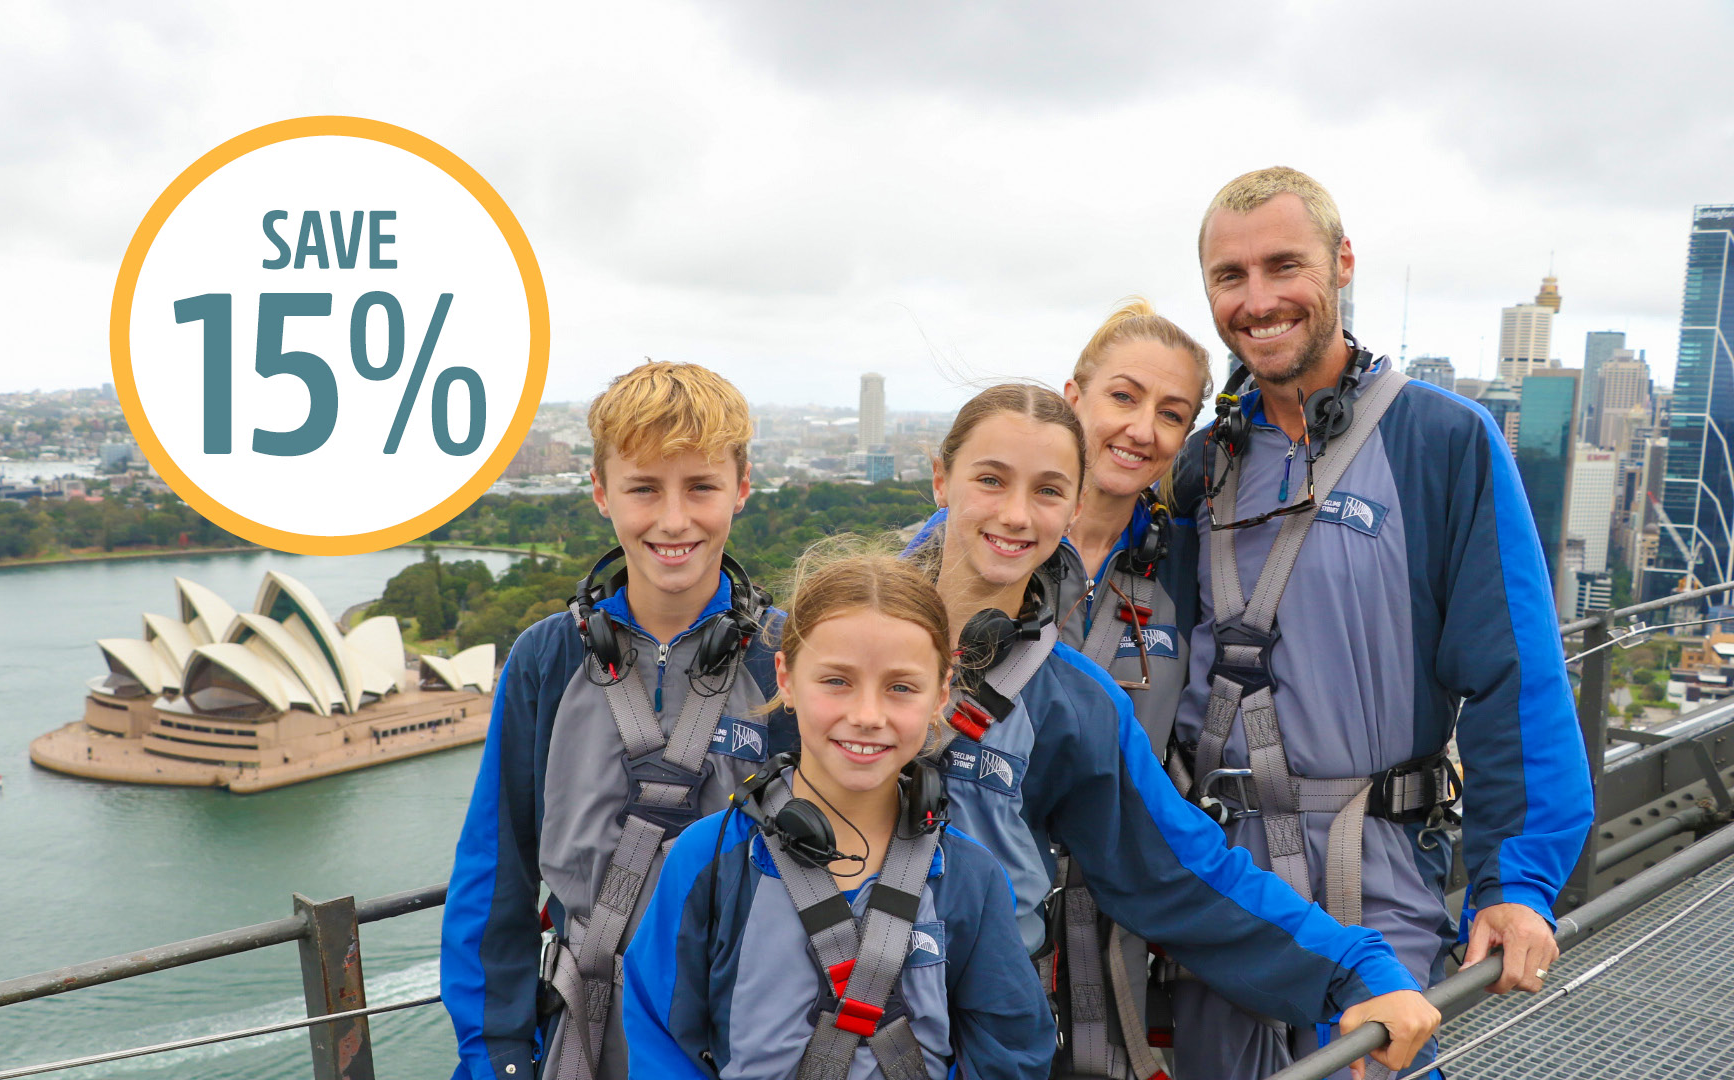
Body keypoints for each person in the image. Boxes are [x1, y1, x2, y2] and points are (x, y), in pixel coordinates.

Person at [1166, 166, 1594, 1079]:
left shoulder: (1439, 440)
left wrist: (1516, 882)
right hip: (1225, 885)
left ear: (1342, 263)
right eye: (1229, 277)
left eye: (1286, 265)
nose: (1259, 299)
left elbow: (1514, 671)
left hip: (1374, 871)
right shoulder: (1202, 463)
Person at [910, 383, 1440, 1079]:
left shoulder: (1069, 701)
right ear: (941, 480)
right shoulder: (822, 643)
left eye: (1046, 491)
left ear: (1073, 508)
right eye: (990, 479)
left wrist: (1357, 969)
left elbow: (1180, 869)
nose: (1015, 514)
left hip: (972, 1042)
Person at [440, 361, 785, 1080]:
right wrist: (495, 1055)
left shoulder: (789, 658)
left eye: (700, 487)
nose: (672, 520)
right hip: (587, 1026)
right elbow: (497, 866)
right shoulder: (547, 657)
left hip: (753, 1025)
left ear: (742, 490)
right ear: (602, 493)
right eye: (643, 489)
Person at [622, 541, 1056, 1079]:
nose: (867, 715)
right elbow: (660, 1040)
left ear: (941, 693)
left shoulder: (969, 877)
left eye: (900, 687)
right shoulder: (709, 860)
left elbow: (1011, 1053)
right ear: (785, 678)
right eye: (837, 681)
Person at [1051, 300, 1212, 1076]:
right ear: (1073, 394)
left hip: (1120, 926)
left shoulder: (1185, 563)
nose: (1142, 429)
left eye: (1171, 413)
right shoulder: (979, 543)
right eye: (1123, 396)